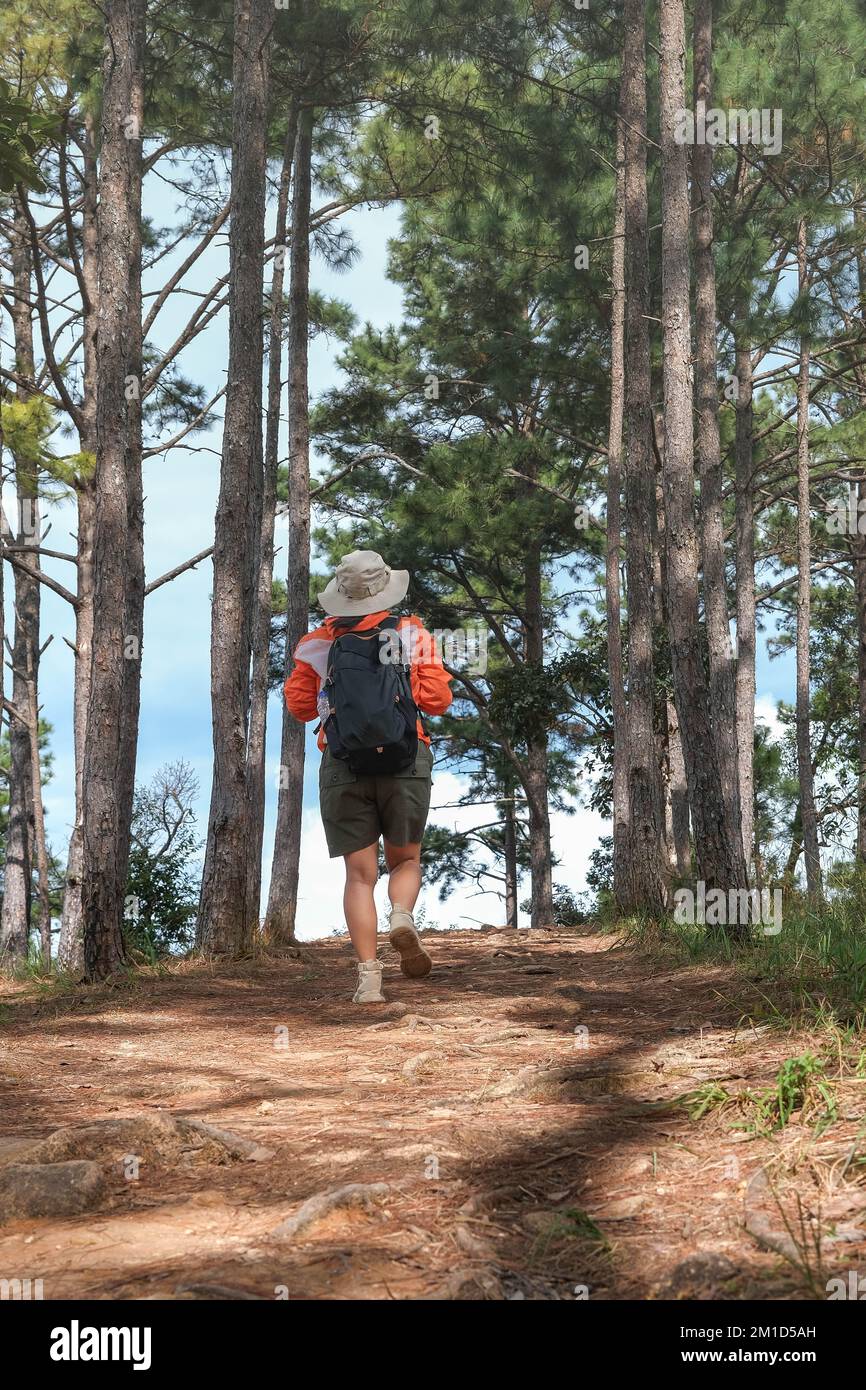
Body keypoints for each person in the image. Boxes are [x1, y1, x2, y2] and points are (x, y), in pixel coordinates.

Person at [284, 550, 453, 1002]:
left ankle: (369, 979)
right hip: (405, 759)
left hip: (344, 763)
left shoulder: (316, 642)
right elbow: (436, 700)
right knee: (405, 861)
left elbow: (300, 708)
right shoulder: (411, 632)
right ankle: (401, 914)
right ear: (384, 589)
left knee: (359, 877)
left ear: (342, 595)